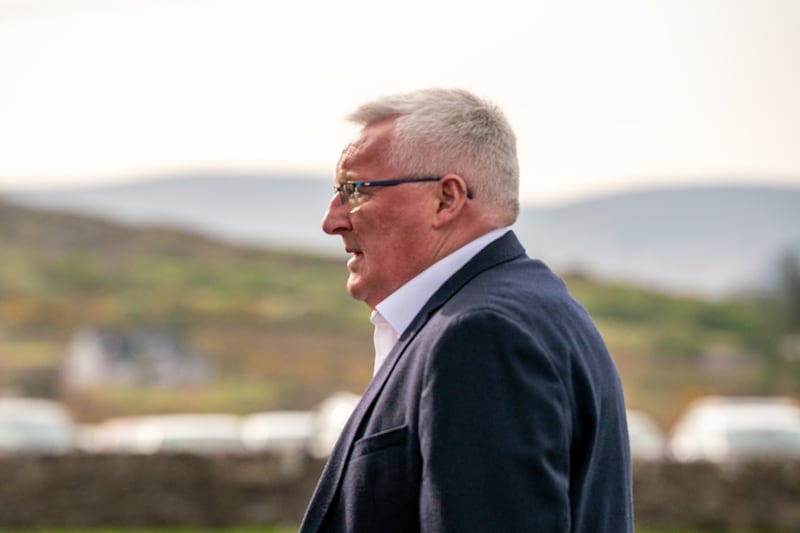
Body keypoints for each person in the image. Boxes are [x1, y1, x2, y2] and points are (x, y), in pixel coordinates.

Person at [300, 88, 633, 532]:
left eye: (355, 190)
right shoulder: (526, 309)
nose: (332, 220)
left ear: (446, 199)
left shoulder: (480, 334)